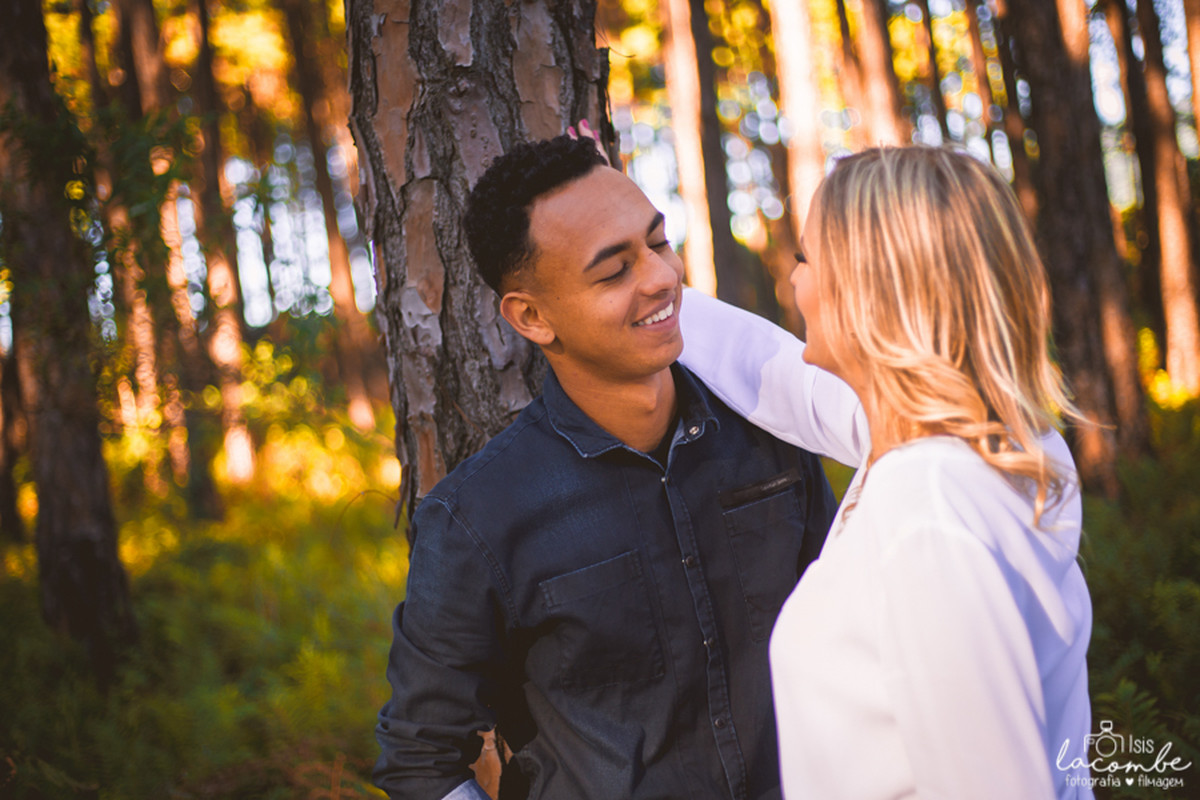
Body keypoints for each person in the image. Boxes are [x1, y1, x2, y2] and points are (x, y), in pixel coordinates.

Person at [372, 134, 839, 800]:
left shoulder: (771, 439)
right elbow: (420, 758)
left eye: (659, 243)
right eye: (613, 270)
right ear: (532, 317)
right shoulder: (478, 520)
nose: (660, 277)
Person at [677, 145, 1094, 799]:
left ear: (870, 290)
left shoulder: (927, 505)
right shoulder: (996, 444)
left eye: (805, 259)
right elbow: (778, 378)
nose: (794, 283)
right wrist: (652, 290)